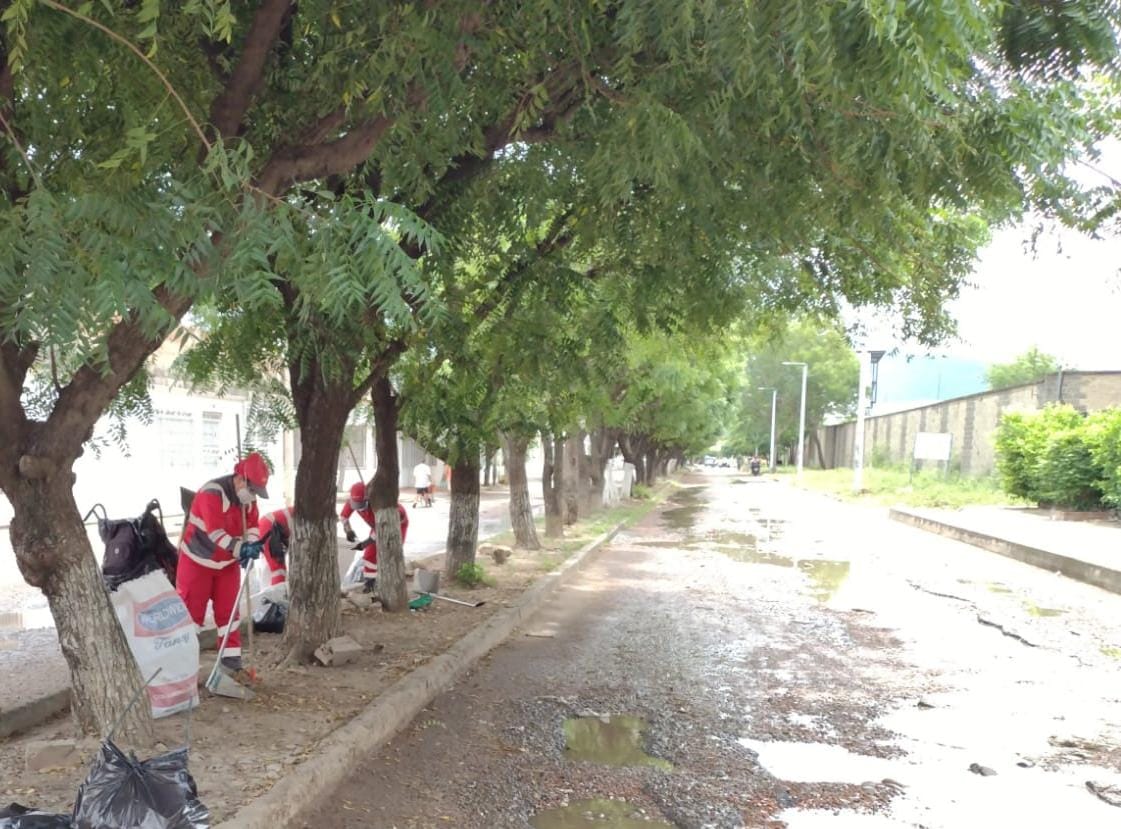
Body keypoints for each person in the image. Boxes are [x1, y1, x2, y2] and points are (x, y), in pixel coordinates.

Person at [177, 451, 269, 673]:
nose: (253, 496)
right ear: (240, 480)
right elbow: (215, 533)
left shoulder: (248, 500)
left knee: (229, 613)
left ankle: (230, 664)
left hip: (227, 564)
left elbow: (253, 525)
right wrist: (241, 549)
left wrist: (253, 544)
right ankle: (183, 666)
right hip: (197, 561)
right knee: (191, 615)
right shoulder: (212, 493)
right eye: (252, 489)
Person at [340, 481, 409, 592]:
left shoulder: (379, 504)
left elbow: (381, 530)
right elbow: (344, 516)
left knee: (391, 552)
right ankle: (370, 582)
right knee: (369, 555)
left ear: (367, 498)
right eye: (356, 505)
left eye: (361, 505)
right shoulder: (353, 502)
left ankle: (392, 581)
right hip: (376, 526)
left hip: (396, 525)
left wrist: (366, 543)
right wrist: (348, 530)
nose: (359, 509)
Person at [258, 506, 293, 586]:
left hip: (265, 525)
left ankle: (268, 591)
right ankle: (276, 592)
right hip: (271, 528)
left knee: (269, 569)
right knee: (278, 569)